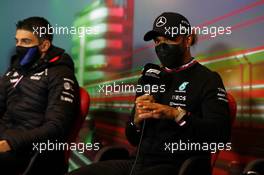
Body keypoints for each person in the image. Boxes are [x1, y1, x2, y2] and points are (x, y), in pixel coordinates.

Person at [68, 12, 231, 175]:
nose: (162, 46)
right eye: (158, 41)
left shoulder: (208, 79)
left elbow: (220, 135)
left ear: (187, 40)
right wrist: (136, 122)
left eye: (169, 39)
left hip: (177, 166)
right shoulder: (150, 77)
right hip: (138, 163)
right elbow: (133, 138)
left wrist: (176, 114)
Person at [0, 17, 79, 175]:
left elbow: (56, 127)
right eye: (17, 41)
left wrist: (10, 143)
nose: (19, 46)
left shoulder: (61, 73)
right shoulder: (14, 70)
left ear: (44, 45)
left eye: (26, 41)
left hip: (34, 152)